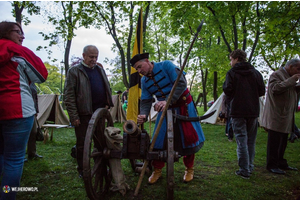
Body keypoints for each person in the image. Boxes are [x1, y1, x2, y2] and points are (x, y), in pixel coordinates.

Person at [131, 53, 205, 184]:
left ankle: (189, 169)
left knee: (187, 138)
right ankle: (157, 170)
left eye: (140, 66)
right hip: (164, 109)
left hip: (183, 106)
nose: (139, 71)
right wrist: (143, 114)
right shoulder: (144, 80)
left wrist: (167, 100)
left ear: (147, 61)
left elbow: (181, 83)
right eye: (137, 69)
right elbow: (146, 100)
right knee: (159, 140)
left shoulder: (166, 65)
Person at [0, 21, 48, 199]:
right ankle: (7, 195)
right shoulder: (18, 51)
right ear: (5, 33)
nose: (22, 36)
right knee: (14, 159)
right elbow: (42, 75)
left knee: (1, 153)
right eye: (17, 32)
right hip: (17, 110)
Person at [64, 45, 113, 178]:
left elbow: (106, 86)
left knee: (101, 142)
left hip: (100, 113)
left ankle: (101, 167)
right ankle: (82, 169)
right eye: (91, 57)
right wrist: (74, 116)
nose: (94, 59)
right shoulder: (74, 71)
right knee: (83, 144)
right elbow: (69, 96)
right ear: (84, 55)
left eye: (96, 56)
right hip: (83, 115)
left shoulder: (100, 70)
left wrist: (108, 103)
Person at [223, 49, 265, 179]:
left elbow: (227, 89)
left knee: (242, 140)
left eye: (231, 60)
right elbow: (261, 91)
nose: (230, 63)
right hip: (252, 111)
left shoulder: (232, 73)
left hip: (237, 110)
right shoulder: (256, 73)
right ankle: (249, 166)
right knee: (250, 141)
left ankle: (244, 170)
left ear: (236, 59)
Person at [261, 58, 300, 174]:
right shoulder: (276, 75)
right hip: (276, 115)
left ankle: (281, 162)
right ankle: (271, 165)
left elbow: (289, 92)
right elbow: (275, 89)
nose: (299, 71)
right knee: (274, 141)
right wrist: (292, 80)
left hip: (286, 115)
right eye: (298, 69)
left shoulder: (288, 77)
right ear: (290, 66)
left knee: (283, 141)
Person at [26, 83, 43, 160]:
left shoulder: (32, 83)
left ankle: (32, 153)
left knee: (33, 132)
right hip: (22, 110)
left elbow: (35, 98)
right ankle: (20, 155)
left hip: (32, 111)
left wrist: (36, 110)